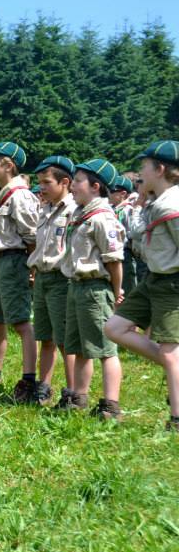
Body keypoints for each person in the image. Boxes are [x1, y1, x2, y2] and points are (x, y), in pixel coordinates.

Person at [105, 140, 179, 431]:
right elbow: (136, 233)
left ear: (160, 169)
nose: (139, 173)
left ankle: (176, 421)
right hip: (155, 279)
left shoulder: (173, 203)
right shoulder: (156, 201)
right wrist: (140, 203)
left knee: (170, 352)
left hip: (172, 282)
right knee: (115, 328)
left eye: (143, 167)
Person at [59, 159, 125, 419]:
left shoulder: (101, 218)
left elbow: (114, 260)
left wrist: (116, 292)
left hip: (96, 288)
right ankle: (79, 397)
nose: (72, 186)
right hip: (77, 286)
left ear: (95, 186)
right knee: (79, 347)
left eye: (77, 181)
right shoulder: (81, 214)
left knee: (105, 348)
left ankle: (111, 404)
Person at [0, 141, 40, 395]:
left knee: (20, 321)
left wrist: (31, 268)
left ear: (8, 165)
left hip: (14, 259)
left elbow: (31, 236)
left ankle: (28, 379)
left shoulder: (19, 195)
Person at [27, 156, 77, 406]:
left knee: (64, 340)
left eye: (46, 182)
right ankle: (44, 386)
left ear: (65, 182)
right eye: (39, 183)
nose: (41, 188)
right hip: (42, 278)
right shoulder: (44, 209)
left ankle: (72, 392)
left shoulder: (73, 210)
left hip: (61, 279)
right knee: (44, 336)